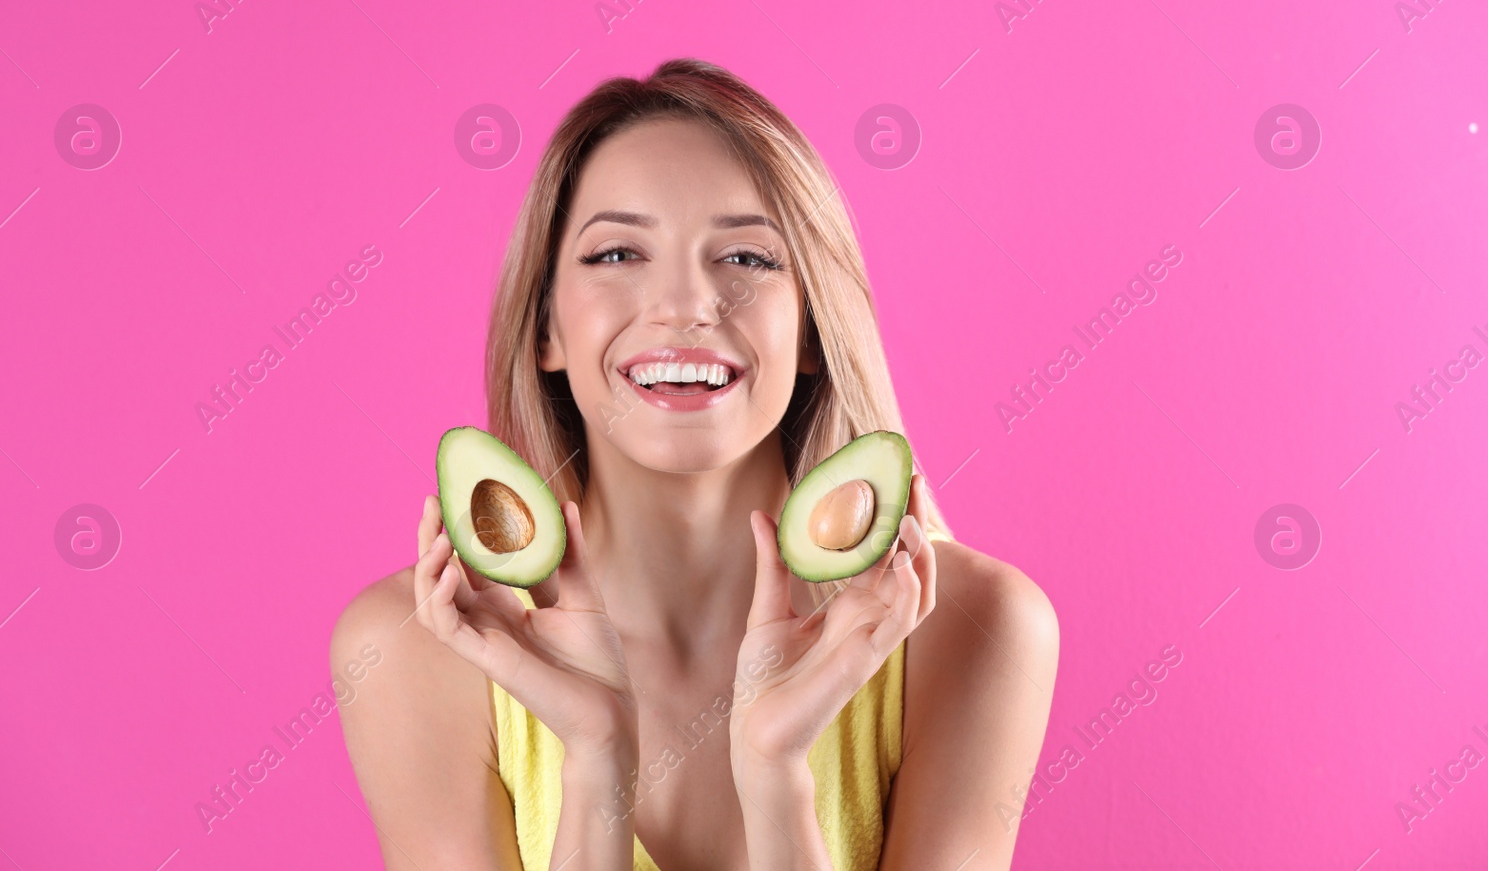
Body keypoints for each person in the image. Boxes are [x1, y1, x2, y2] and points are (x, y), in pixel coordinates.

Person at [332, 58, 1059, 870]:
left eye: (747, 258)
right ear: (546, 328)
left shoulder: (970, 629)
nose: (683, 303)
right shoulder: (420, 646)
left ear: (813, 328)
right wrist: (597, 754)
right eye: (616, 254)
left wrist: (779, 776)